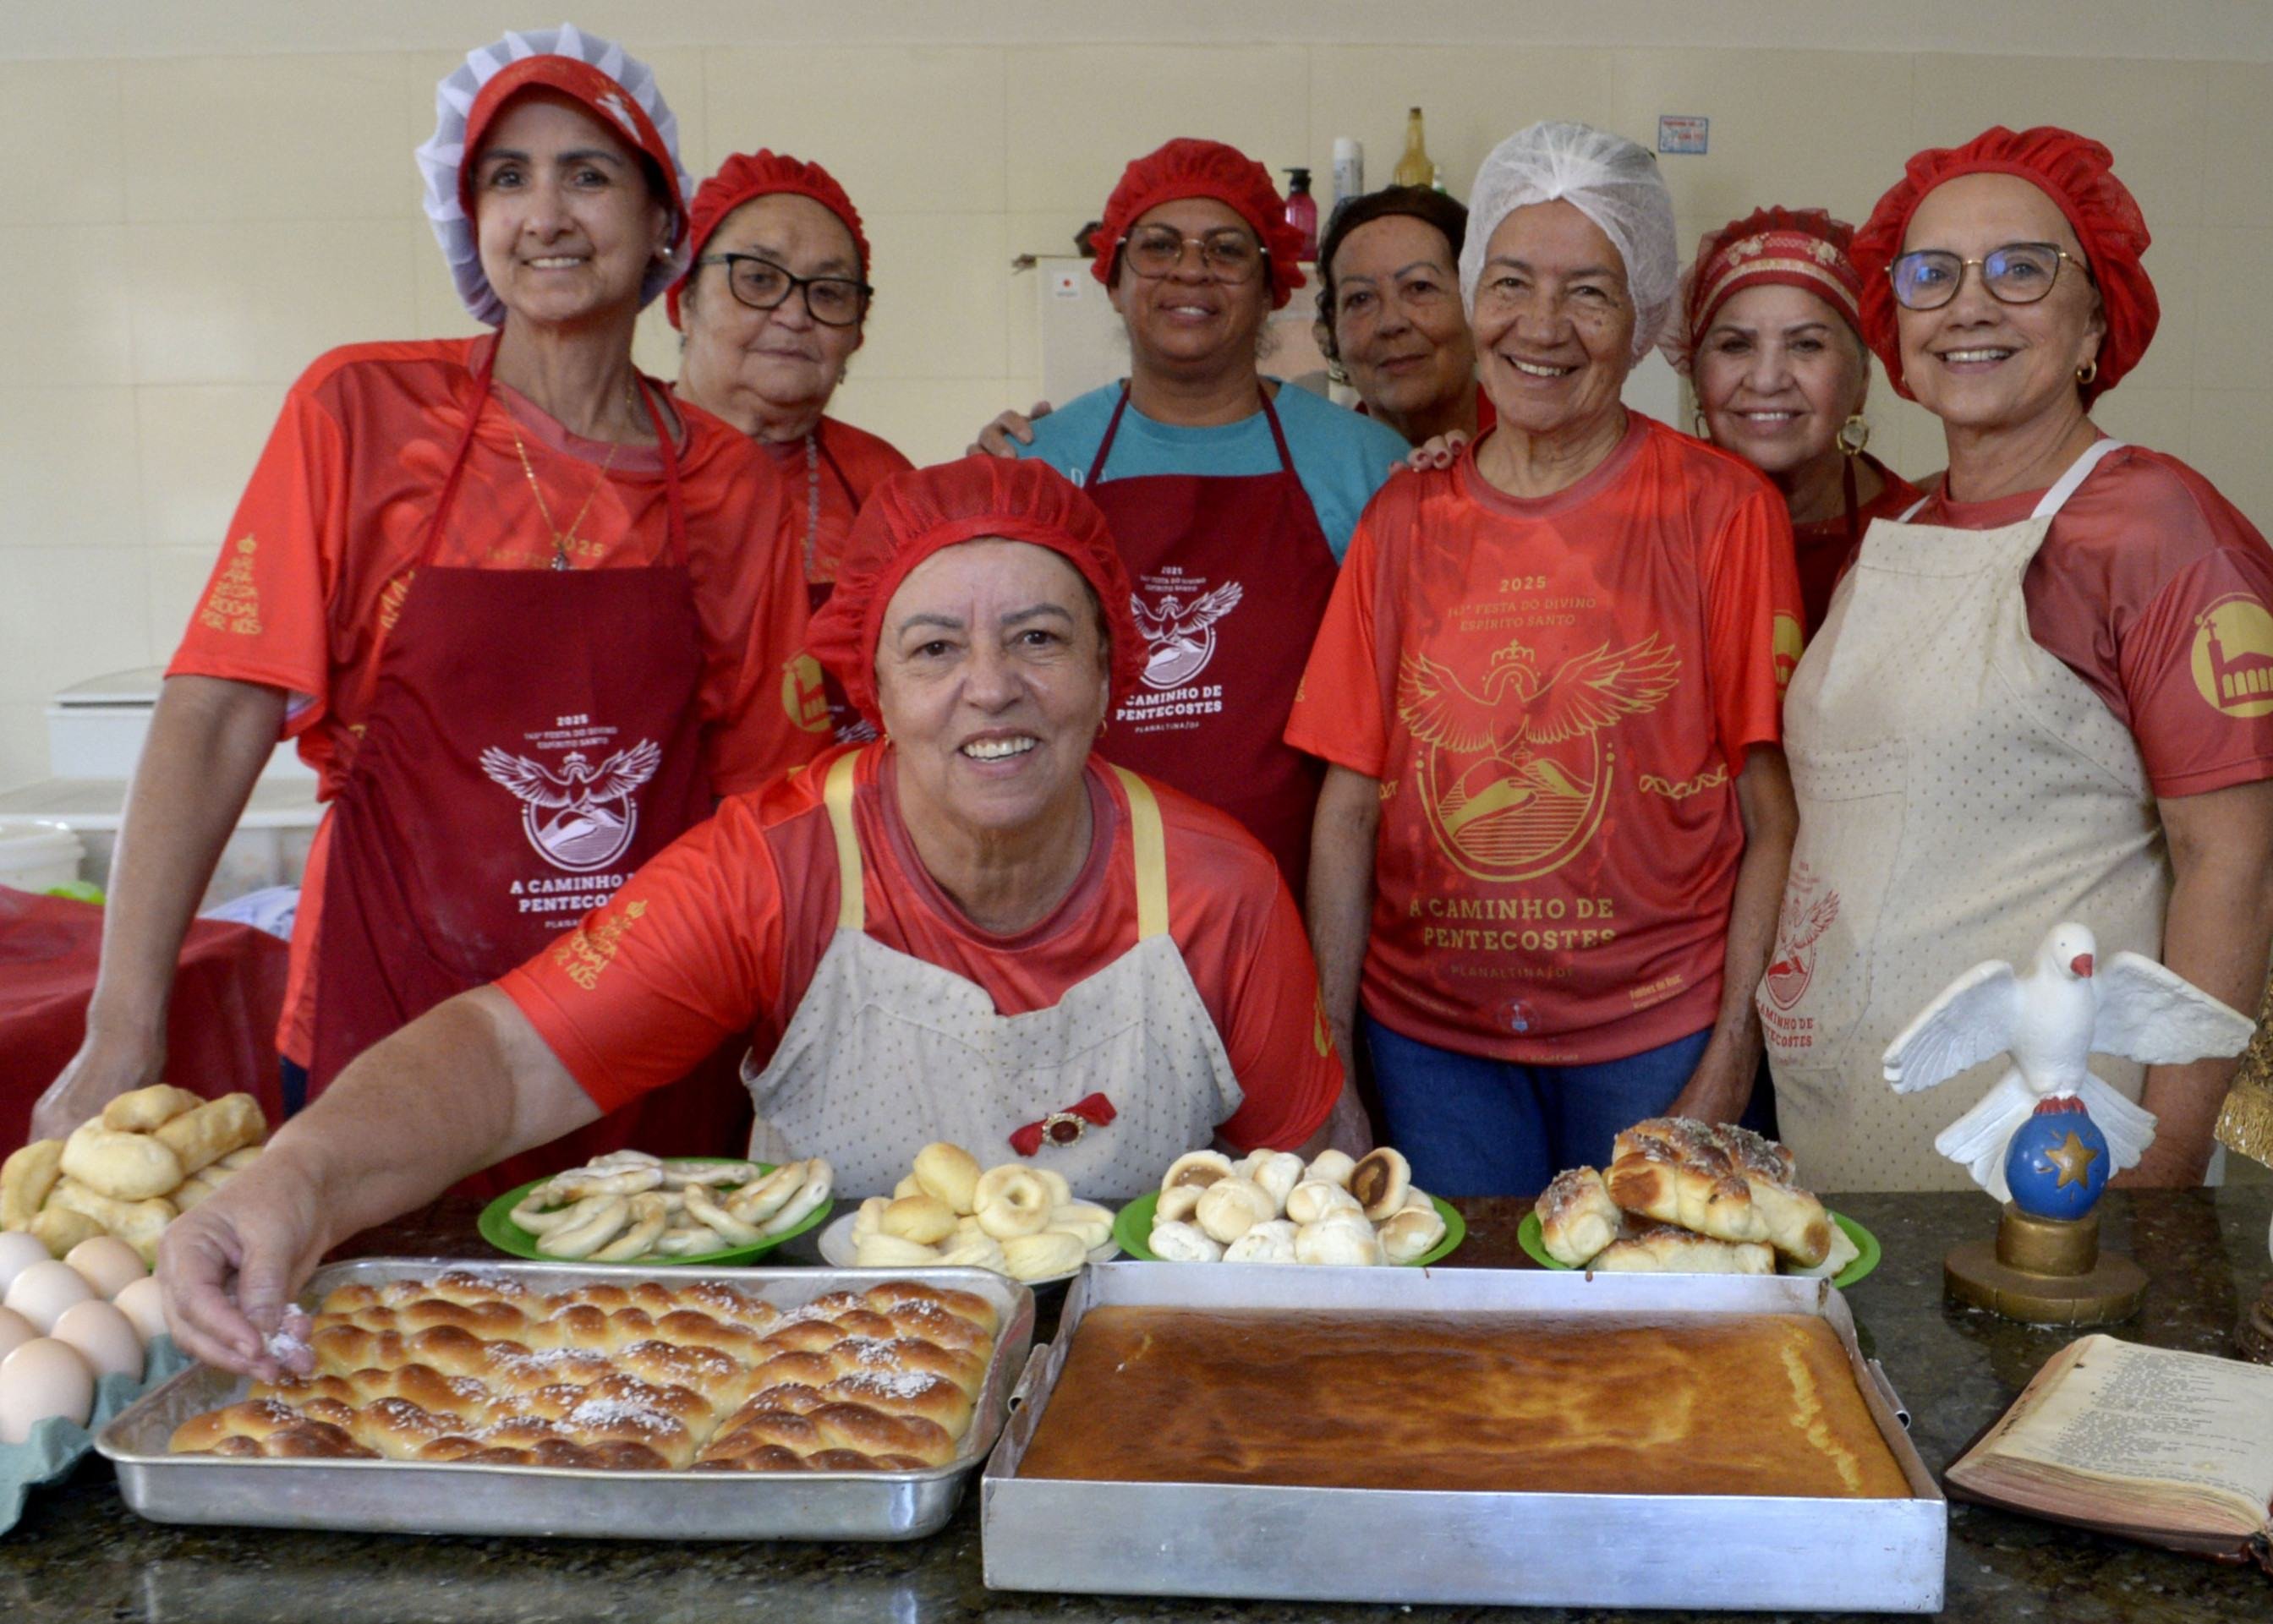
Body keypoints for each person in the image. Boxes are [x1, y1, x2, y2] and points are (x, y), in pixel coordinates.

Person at [159, 456, 1345, 1381]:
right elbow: (507, 1058)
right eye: (935, 648)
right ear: (871, 689)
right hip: (818, 1403)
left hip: (1128, 1391)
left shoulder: (1216, 890)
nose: (990, 686)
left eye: (1038, 637)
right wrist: (296, 1181)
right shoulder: (774, 870)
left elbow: (1315, 1180)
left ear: (1107, 668)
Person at [31, 28, 830, 1185]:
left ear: (666, 226)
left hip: (645, 1040)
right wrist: (123, 1017)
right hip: (383, 1022)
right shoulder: (361, 414)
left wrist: (795, 1056)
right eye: (507, 177)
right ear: (471, 225)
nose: (545, 212)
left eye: (588, 174)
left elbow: (765, 811)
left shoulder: (726, 481)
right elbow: (215, 712)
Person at [1763, 125, 2273, 1191]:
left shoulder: (2157, 529)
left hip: (2051, 1158)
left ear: (2096, 315)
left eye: (2020, 268)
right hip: (1834, 1128)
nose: (1971, 303)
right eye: (1932, 274)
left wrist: (2166, 1170)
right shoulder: (1897, 521)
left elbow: (2233, 861)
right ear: (1896, 324)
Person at [1286, 122, 1803, 1196]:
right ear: (1476, 300)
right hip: (1432, 1044)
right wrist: (1327, 1054)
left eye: (1590, 293)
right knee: (1463, 1334)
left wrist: (1728, 1060)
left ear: (1642, 317)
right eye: (1510, 283)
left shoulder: (1722, 513)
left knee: (1641, 1334)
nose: (1542, 326)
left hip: (1653, 1032)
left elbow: (1772, 818)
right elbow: (1349, 806)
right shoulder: (1404, 516)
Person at [975, 138, 1407, 905]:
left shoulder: (1362, 461)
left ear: (1273, 285)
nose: (1190, 269)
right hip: (1079, 903)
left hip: (1303, 899)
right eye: (1159, 246)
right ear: (1112, 278)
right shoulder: (1038, 465)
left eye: (1227, 250)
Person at [671, 150, 912, 620]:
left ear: (856, 334)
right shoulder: (615, 461)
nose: (795, 314)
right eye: (758, 279)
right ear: (685, 299)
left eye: (828, 292)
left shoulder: (885, 485)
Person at [1667, 206, 1920, 637]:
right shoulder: (1643, 520)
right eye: (1734, 345)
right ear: (1695, 374)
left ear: (1862, 377)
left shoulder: (1917, 536)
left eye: (1806, 345)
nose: (1767, 380)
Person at [1313, 185, 1490, 446]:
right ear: (1333, 328)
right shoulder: (1318, 471)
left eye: (1419, 287)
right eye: (1360, 299)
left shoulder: (1553, 458)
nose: (1391, 323)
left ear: (1477, 307)